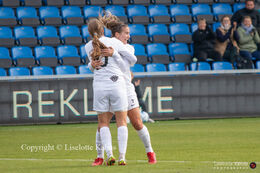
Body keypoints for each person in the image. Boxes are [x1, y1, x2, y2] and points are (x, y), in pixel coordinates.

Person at [90, 14, 156, 166]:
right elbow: (96, 65)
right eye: (126, 33)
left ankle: (150, 151)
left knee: (137, 123)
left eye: (128, 33)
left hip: (125, 88)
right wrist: (92, 64)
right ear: (117, 35)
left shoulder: (128, 48)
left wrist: (115, 54)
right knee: (102, 123)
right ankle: (100, 156)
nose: (128, 35)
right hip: (111, 87)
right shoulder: (103, 44)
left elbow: (129, 64)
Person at [85, 18, 137, 166]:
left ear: (89, 32)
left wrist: (91, 64)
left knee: (103, 123)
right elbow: (131, 62)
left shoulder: (87, 46)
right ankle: (122, 156)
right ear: (104, 29)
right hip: (117, 84)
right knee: (121, 122)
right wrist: (114, 54)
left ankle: (109, 155)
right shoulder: (115, 42)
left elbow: (92, 65)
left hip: (100, 85)